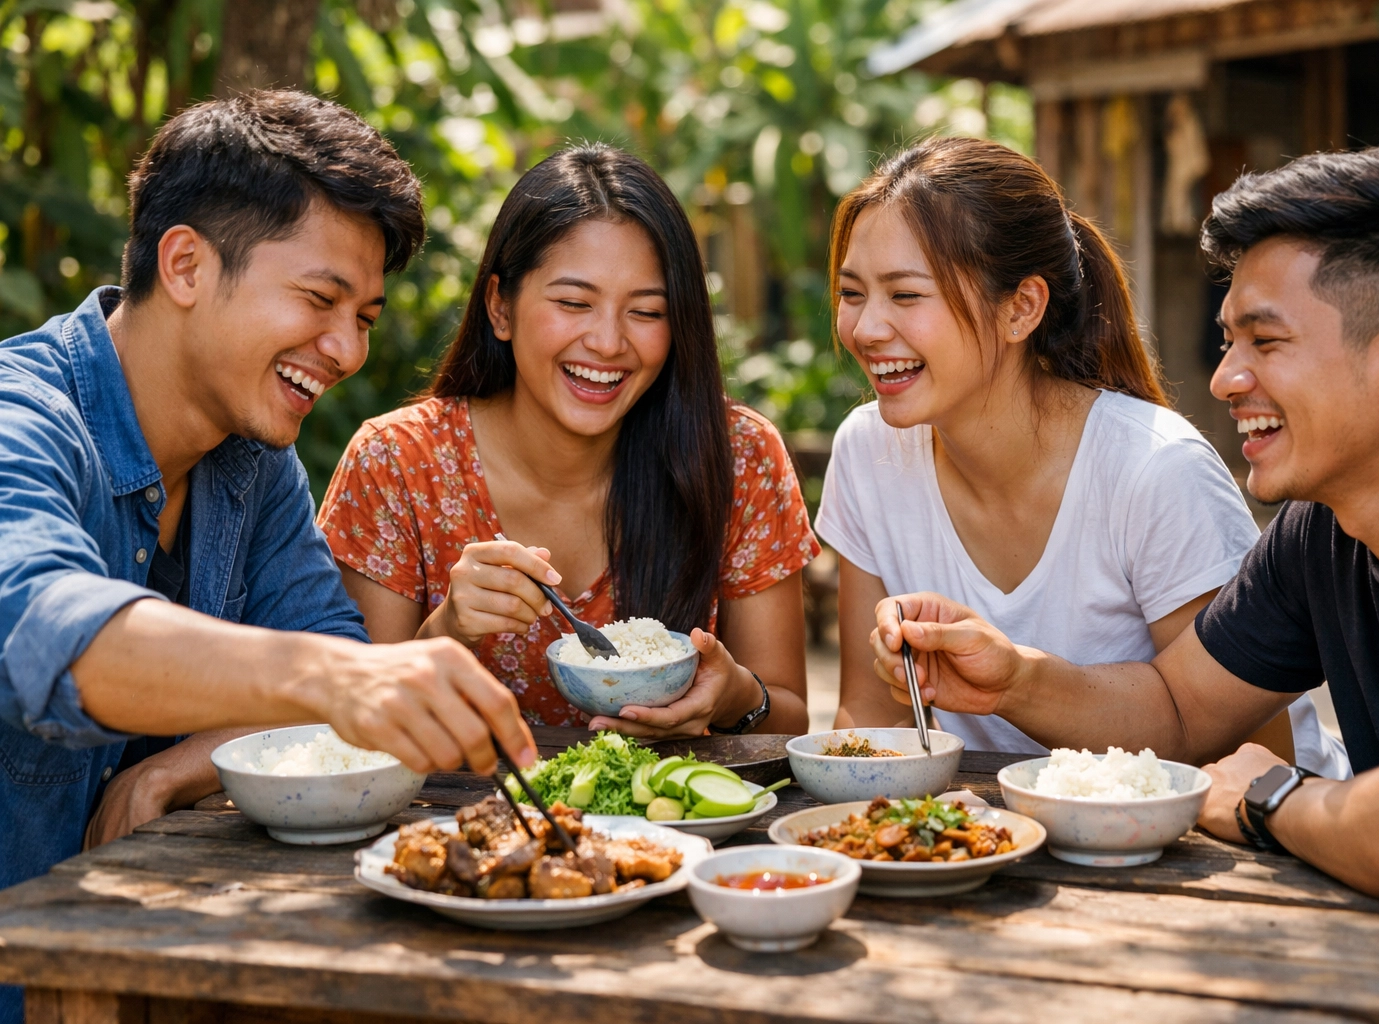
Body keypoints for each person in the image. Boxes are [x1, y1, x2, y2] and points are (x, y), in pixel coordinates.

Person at [867, 144, 1379, 1021]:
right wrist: (1014, 677)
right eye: (1229, 343)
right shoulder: (1321, 533)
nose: (1225, 379)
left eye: (1266, 341)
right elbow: (1178, 709)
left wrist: (1272, 795)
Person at [0, 91, 539, 1020]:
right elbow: (43, 628)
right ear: (185, 264)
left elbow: (335, 683)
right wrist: (329, 676)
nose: (346, 348)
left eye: (364, 315)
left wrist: (176, 766)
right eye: (322, 299)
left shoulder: (254, 461)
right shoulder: (24, 417)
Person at [818, 135, 1346, 775]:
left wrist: (1019, 685)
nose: (867, 329)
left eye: (905, 295)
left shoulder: (1156, 471)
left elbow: (1256, 761)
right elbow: (873, 723)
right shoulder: (867, 450)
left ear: (1021, 308)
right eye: (852, 294)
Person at [319, 144, 818, 739]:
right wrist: (447, 627)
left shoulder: (737, 455)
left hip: (679, 826)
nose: (607, 343)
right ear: (500, 308)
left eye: (646, 312)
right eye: (573, 303)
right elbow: (347, 724)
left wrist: (734, 694)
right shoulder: (398, 463)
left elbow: (789, 718)